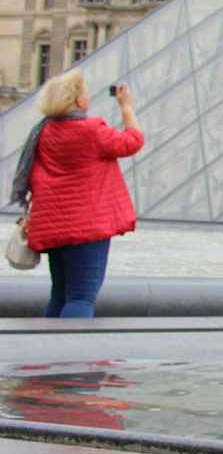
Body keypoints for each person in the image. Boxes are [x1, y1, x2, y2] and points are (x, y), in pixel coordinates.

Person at [10, 70, 143, 318]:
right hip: (86, 228)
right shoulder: (91, 130)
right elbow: (132, 141)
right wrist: (126, 107)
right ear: (77, 100)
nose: (88, 97)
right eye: (85, 92)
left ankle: (47, 353)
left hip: (52, 225)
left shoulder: (44, 131)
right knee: (81, 297)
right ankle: (70, 355)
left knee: (59, 295)